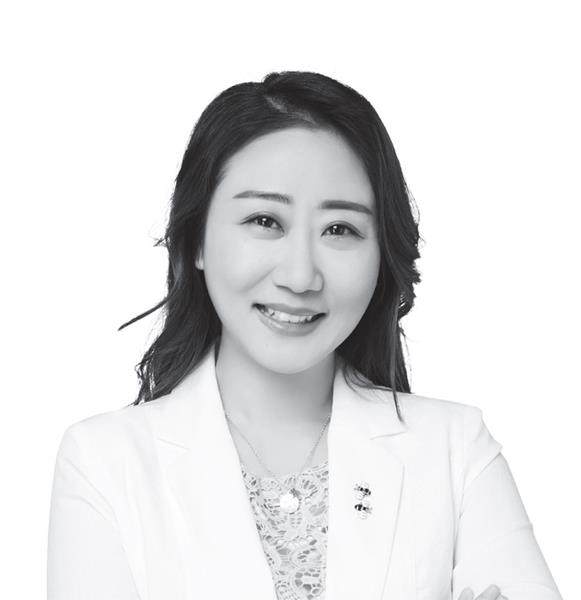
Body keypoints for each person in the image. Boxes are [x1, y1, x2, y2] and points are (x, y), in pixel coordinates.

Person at [46, 71, 563, 600]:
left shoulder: (456, 449)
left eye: (340, 229)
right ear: (195, 239)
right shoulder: (104, 462)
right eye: (265, 220)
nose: (300, 276)